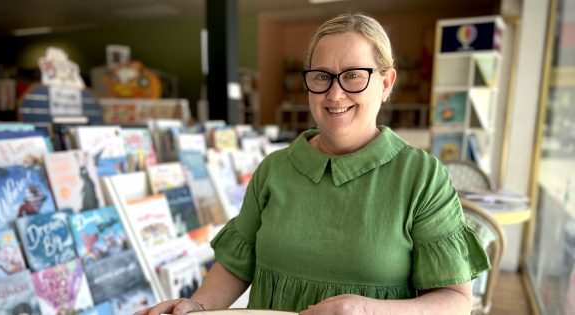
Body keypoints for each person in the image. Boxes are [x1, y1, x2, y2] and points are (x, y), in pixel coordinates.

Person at [136, 12, 490, 315]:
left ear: (386, 82)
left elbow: (455, 300)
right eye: (322, 76)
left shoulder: (421, 177)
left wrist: (369, 309)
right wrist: (197, 307)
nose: (335, 94)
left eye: (353, 75)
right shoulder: (274, 170)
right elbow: (234, 266)